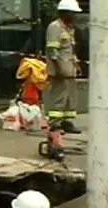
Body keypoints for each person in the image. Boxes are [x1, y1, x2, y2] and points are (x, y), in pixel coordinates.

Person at [45, 0, 82, 134]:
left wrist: (76, 64)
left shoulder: (69, 28)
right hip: (60, 70)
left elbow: (70, 49)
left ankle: (68, 122)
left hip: (69, 69)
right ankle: (55, 124)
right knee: (59, 98)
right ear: (65, 13)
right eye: (74, 13)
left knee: (71, 98)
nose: (76, 16)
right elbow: (52, 50)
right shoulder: (55, 27)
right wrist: (58, 68)